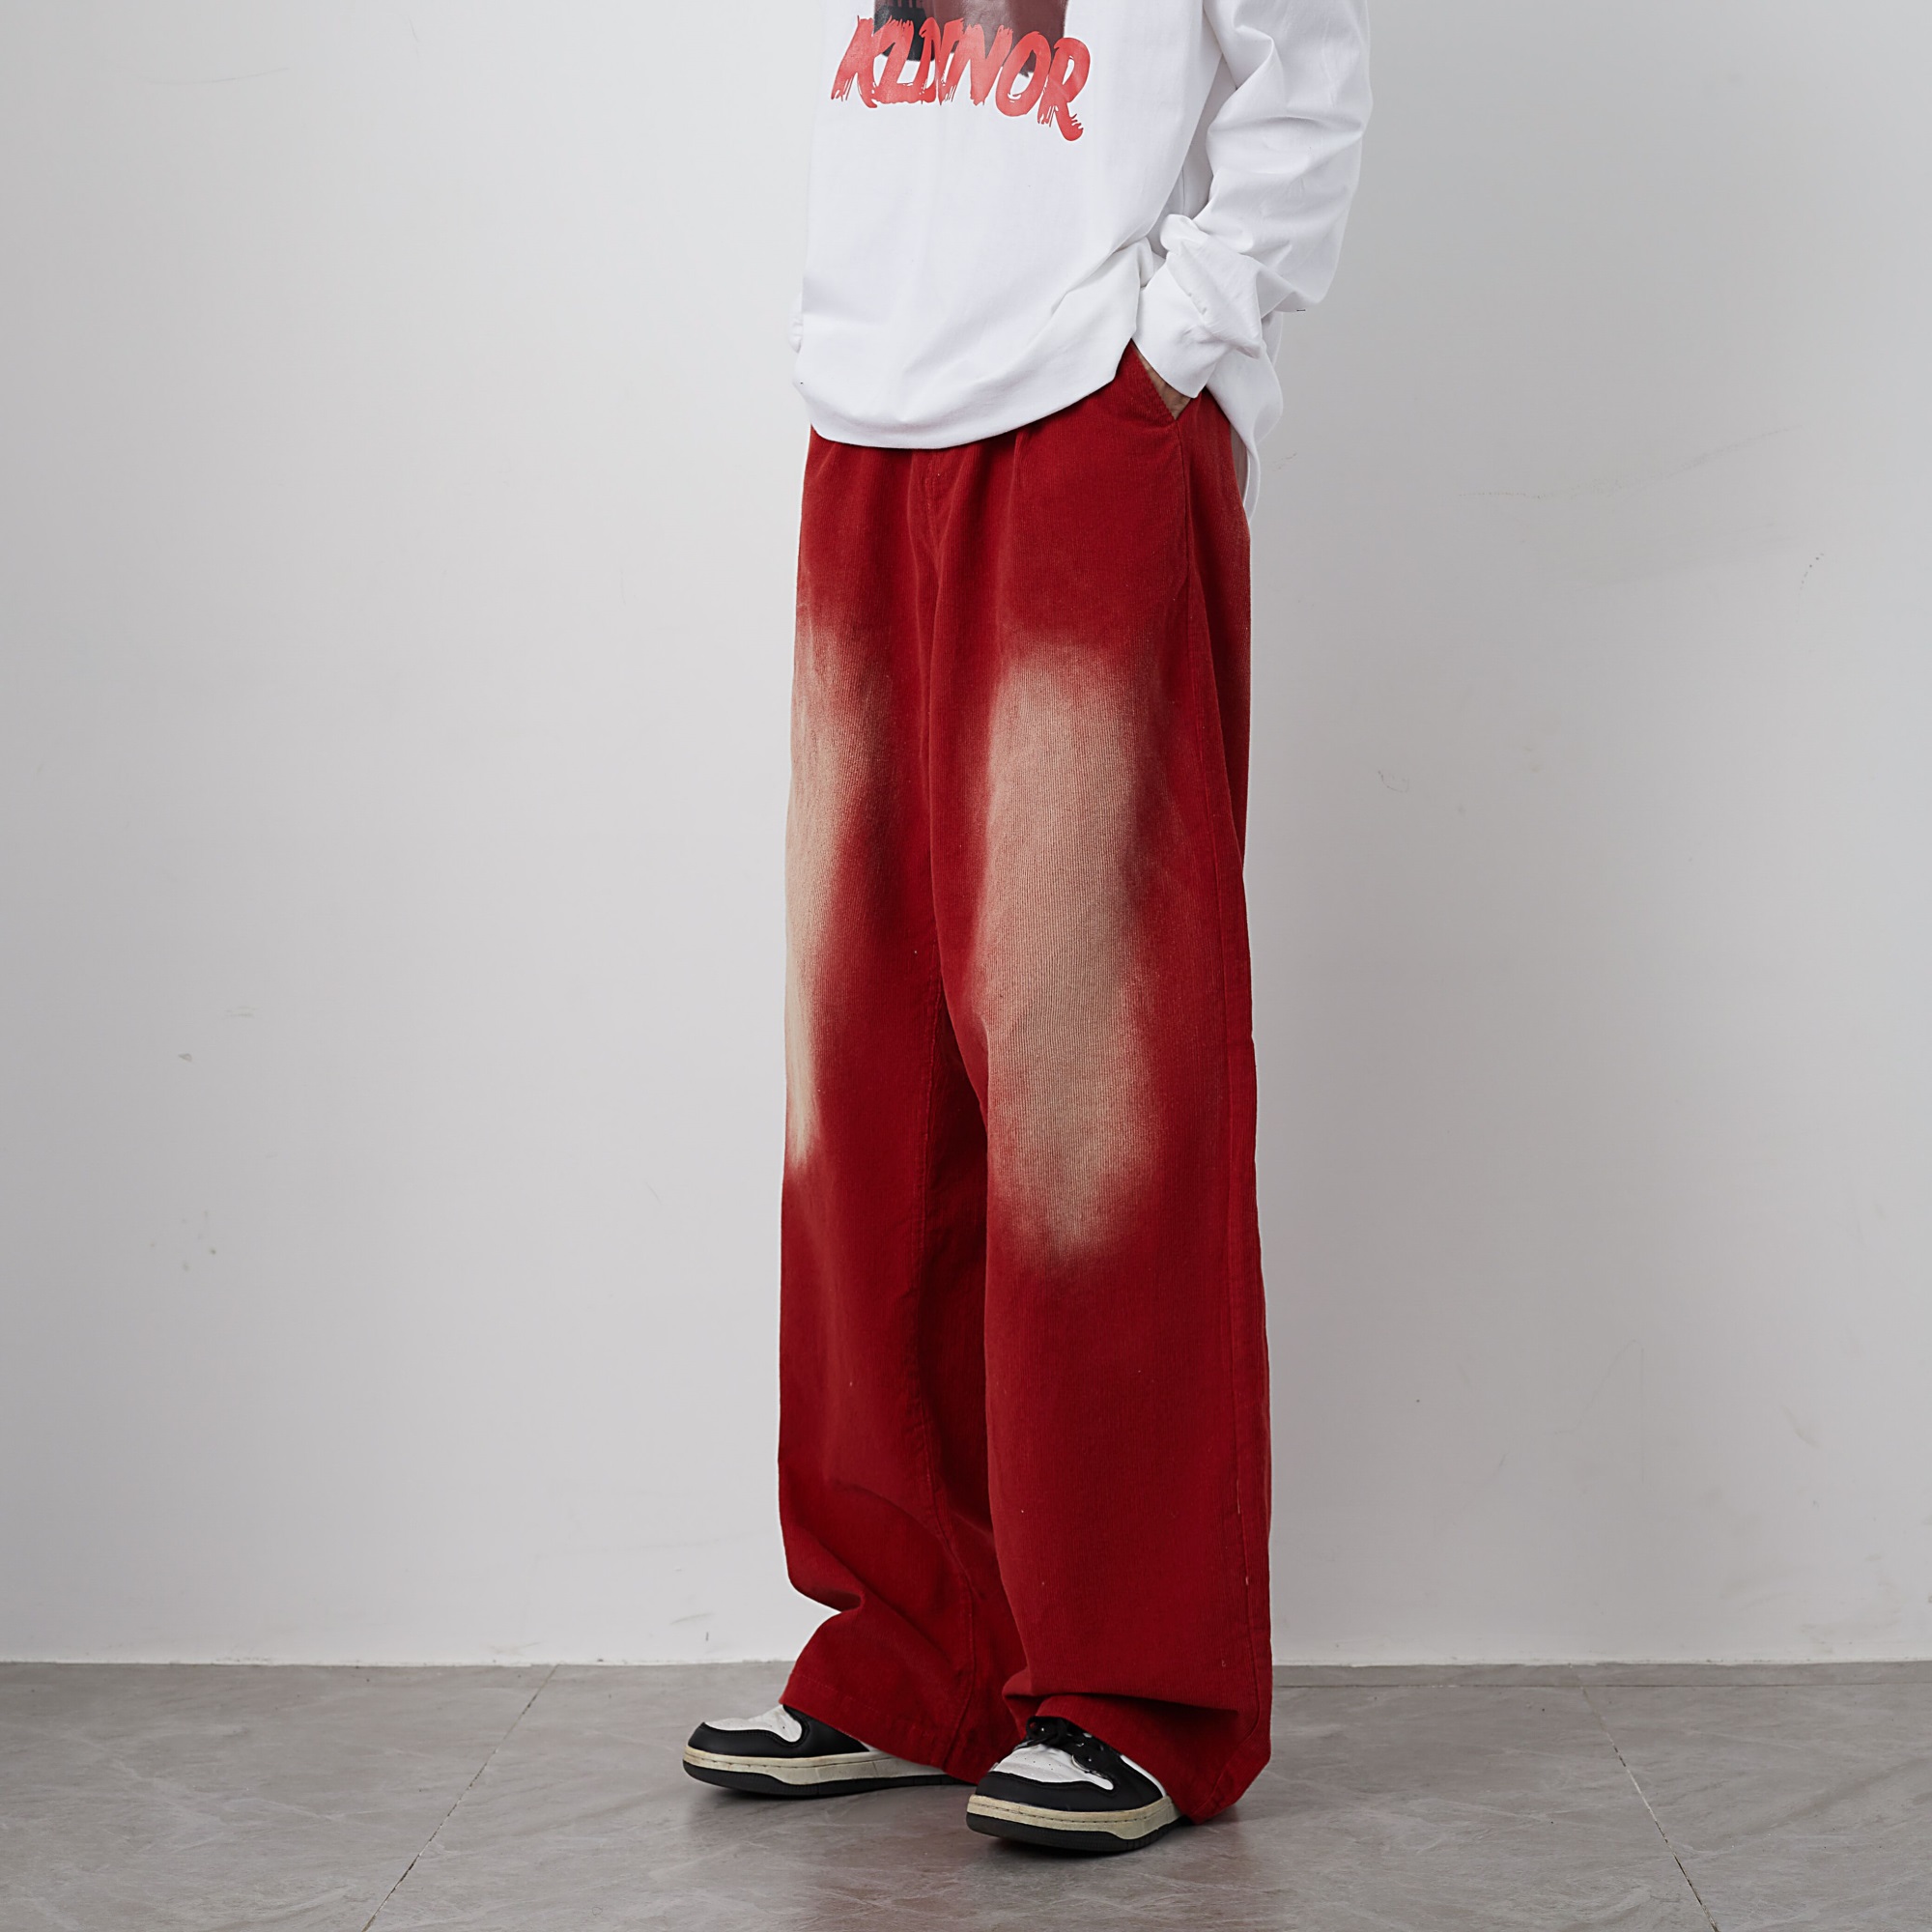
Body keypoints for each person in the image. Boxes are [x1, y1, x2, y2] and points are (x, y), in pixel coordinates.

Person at [683, 0, 1370, 1857]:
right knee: (868, 1075)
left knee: (1095, 1090)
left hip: (1083, 419)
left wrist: (1179, 344)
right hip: (870, 423)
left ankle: (1141, 1691)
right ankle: (921, 1649)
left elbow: (1306, 74)